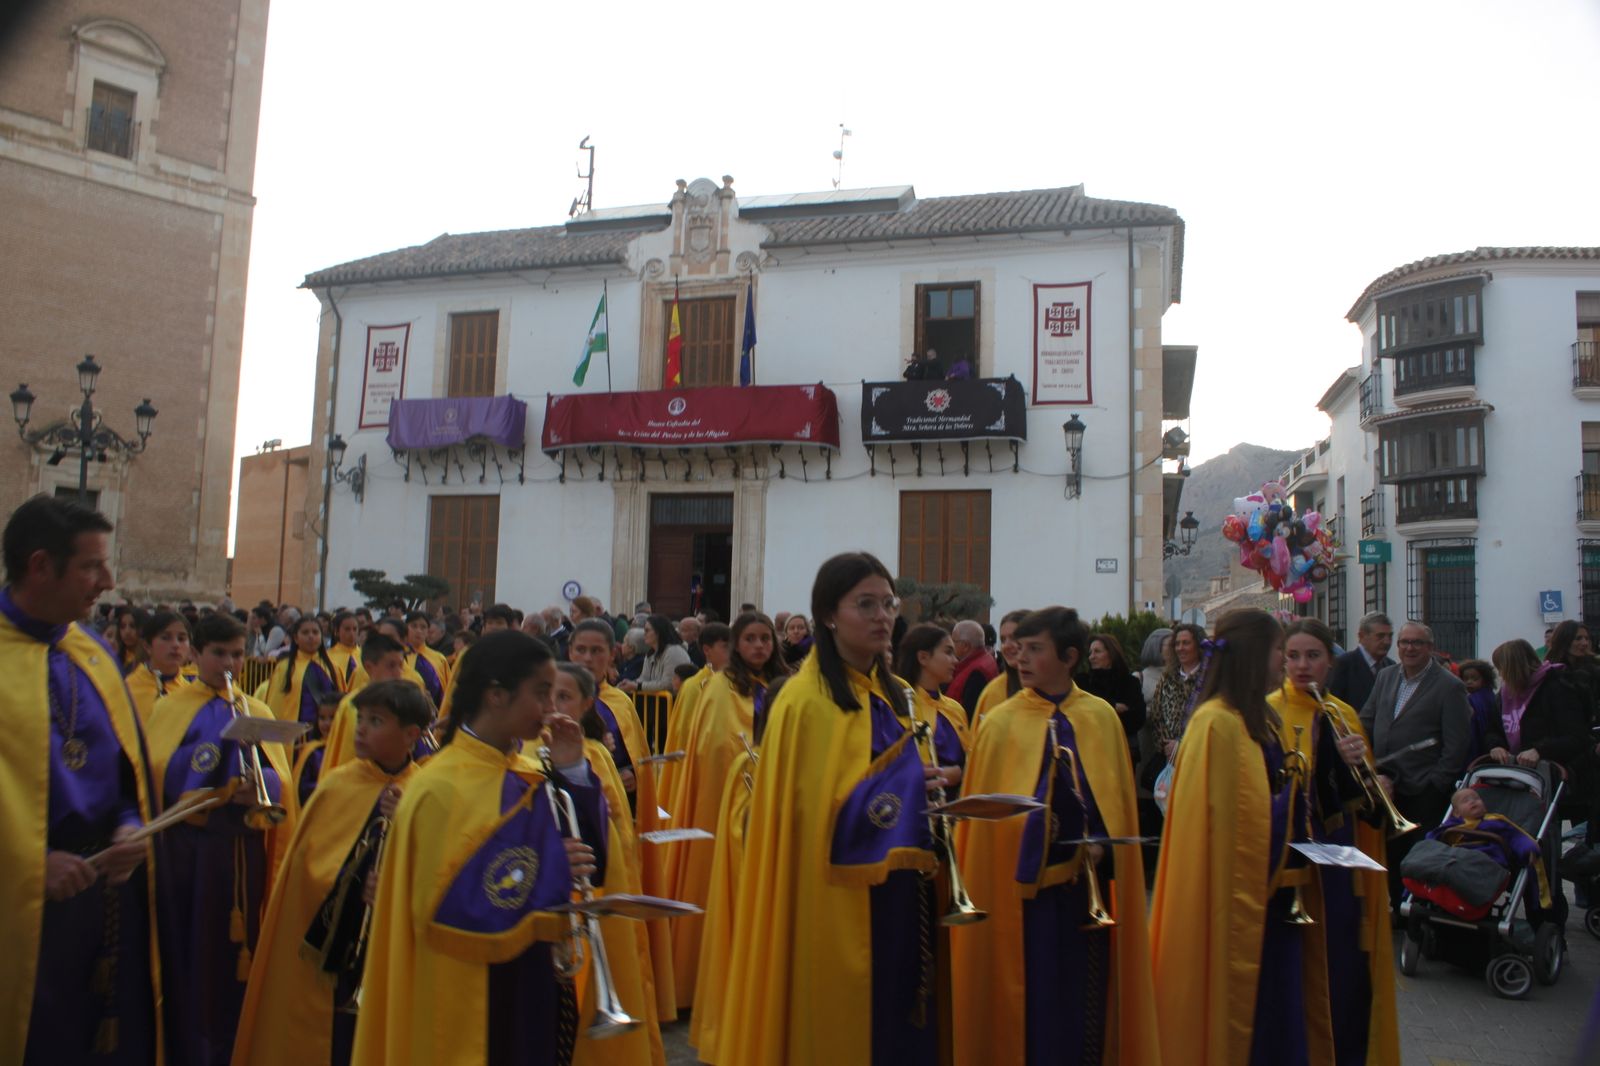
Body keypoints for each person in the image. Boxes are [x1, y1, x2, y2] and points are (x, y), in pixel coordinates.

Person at [717, 552, 942, 1065]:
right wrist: (903, 789)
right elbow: (806, 817)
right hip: (830, 899)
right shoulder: (802, 702)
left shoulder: (900, 694)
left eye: (888, 603)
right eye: (866, 604)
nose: (883, 615)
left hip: (904, 894)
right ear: (828, 615)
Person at [350, 630, 605, 1066]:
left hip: (533, 976)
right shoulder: (438, 786)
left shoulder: (531, 771)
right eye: (541, 693)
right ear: (496, 696)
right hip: (464, 991)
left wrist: (573, 771)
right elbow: (446, 904)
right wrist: (549, 868)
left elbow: (592, 866)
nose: (550, 708)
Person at [952, 607, 1158, 1065]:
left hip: (1084, 896)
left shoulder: (1100, 717)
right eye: (1018, 649)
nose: (1020, 659)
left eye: (1034, 650)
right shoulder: (1001, 723)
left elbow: (1115, 801)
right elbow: (984, 829)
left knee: (1085, 1007)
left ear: (1069, 657)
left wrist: (1103, 841)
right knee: (1029, 1008)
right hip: (1018, 901)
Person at [0, 495, 159, 1064]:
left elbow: (122, 767)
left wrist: (128, 824)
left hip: (106, 897)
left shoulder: (91, 650)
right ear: (40, 566)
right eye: (92, 566)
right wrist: (26, 865)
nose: (107, 581)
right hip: (19, 907)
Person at [1151, 608, 1335, 1066]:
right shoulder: (1219, 723)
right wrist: (1287, 802)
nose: (1284, 662)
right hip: (1239, 904)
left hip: (1270, 900)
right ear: (1257, 655)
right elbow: (1233, 827)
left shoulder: (1253, 717)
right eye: (1279, 650)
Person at [232, 680, 427, 1066]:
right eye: (360, 719)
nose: (362, 729)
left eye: (376, 720)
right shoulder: (337, 785)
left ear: (411, 735)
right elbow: (308, 872)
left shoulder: (425, 790)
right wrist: (358, 885)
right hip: (332, 952)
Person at [146, 611, 298, 1065]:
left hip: (246, 848)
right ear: (196, 654)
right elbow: (157, 770)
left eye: (237, 654)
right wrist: (213, 773)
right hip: (190, 851)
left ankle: (239, 1041)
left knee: (241, 951)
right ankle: (188, 1045)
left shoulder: (258, 708)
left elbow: (283, 779)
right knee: (192, 950)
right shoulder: (170, 706)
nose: (229, 663)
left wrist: (263, 782)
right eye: (218, 654)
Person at [1267, 618, 1401, 1066]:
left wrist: (1364, 774)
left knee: (1341, 958)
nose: (1302, 665)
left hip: (1338, 855)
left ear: (1329, 661)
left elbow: (1364, 803)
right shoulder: (1268, 712)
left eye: (1313, 656)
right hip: (1290, 854)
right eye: (1293, 656)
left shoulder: (1343, 714)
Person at [667, 612, 790, 1010]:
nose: (759, 646)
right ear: (736, 644)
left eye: (766, 639)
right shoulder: (720, 689)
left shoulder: (782, 684)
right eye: (751, 639)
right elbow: (716, 749)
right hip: (727, 807)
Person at [551, 663, 671, 1060]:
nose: (552, 705)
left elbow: (611, 840)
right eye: (544, 694)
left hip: (589, 898)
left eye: (563, 697)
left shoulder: (594, 753)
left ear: (587, 705)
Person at [1359, 621, 1472, 910]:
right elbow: (1368, 720)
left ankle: (1417, 916)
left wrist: (1436, 782)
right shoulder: (1385, 676)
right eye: (1404, 642)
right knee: (1389, 852)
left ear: (1430, 648)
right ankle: (1394, 909)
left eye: (1417, 643)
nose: (1409, 648)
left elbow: (1457, 744)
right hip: (1386, 785)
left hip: (1424, 789)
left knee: (1417, 856)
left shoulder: (1450, 687)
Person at [322, 633, 425, 772]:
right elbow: (343, 755)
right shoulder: (351, 705)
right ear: (369, 667)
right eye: (391, 666)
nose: (398, 672)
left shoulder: (404, 702)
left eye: (401, 665)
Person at [1078, 632, 1147, 763]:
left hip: (1123, 753)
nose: (1092, 657)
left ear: (1111, 654)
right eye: (1090, 652)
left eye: (1097, 651)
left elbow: (1137, 719)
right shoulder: (1082, 682)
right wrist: (1112, 706)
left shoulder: (1130, 683)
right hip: (1089, 754)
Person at [266, 615, 341, 731]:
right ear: (295, 638)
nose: (311, 636)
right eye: (305, 633)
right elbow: (275, 704)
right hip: (297, 735)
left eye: (315, 632)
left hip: (328, 732)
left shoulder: (333, 666)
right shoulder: (285, 667)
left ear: (321, 637)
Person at [126, 609, 197, 725]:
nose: (175, 645)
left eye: (182, 639)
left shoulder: (191, 692)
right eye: (165, 637)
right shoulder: (129, 689)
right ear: (147, 646)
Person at [1150, 622, 1207, 760]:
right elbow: (1157, 716)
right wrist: (1168, 747)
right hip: (1169, 758)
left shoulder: (1208, 678)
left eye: (1186, 643)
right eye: (1177, 644)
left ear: (1198, 646)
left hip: (1199, 755)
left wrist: (1183, 745)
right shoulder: (1167, 678)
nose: (1180, 648)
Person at [973, 608, 1030, 728]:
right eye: (1003, 640)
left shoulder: (1052, 688)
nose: (1006, 646)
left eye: (1014, 638)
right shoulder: (993, 692)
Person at [1327, 612, 1395, 712]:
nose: (1387, 642)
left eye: (1390, 636)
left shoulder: (1391, 667)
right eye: (1380, 636)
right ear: (1362, 636)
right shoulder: (1343, 664)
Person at [293, 690, 342, 806]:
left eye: (332, 718)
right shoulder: (311, 751)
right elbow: (302, 787)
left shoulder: (352, 749)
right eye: (322, 718)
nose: (326, 723)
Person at [621, 615, 692, 694]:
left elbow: (668, 684)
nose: (644, 634)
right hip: (656, 702)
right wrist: (629, 684)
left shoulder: (674, 651)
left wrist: (637, 686)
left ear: (658, 632)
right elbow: (644, 678)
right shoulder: (650, 653)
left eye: (647, 630)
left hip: (674, 702)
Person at [947, 619, 998, 724]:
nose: (951, 645)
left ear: (965, 646)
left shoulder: (977, 673)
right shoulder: (984, 659)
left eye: (953, 641)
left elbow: (968, 715)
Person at [403, 610, 450, 707]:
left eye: (423, 627)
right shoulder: (398, 655)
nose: (419, 630)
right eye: (414, 626)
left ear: (428, 631)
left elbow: (447, 691)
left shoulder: (439, 658)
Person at [1458, 659, 1500, 763]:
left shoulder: (1472, 700)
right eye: (1465, 678)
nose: (1469, 682)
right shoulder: (1492, 696)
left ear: (1485, 679)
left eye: (1474, 678)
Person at [326, 611, 362, 691]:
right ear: (337, 631)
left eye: (355, 629)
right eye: (347, 629)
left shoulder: (366, 655)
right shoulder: (327, 656)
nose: (352, 633)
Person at [111, 604, 146, 673]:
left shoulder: (151, 661)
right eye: (123, 626)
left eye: (133, 626)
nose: (127, 632)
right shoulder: (116, 657)